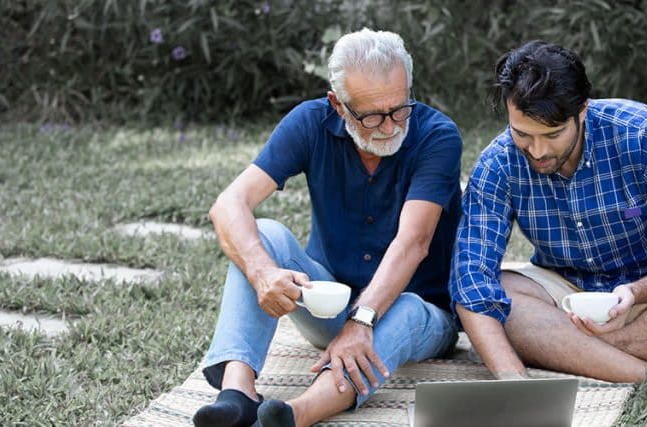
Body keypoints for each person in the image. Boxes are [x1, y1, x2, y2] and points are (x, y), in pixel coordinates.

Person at [193, 28, 462, 427]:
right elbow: (229, 204)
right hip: (332, 305)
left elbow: (414, 242)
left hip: (420, 312)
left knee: (405, 307)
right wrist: (262, 272)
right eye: (371, 116)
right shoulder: (309, 121)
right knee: (262, 233)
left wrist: (361, 322)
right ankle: (237, 392)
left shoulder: (438, 136)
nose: (389, 127)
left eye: (399, 109)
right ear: (338, 104)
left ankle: (296, 414)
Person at [450, 40, 647, 403]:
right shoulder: (497, 163)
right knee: (498, 301)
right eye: (522, 134)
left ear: (583, 110)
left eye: (553, 134)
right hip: (565, 292)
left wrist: (637, 292)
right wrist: (515, 381)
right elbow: (472, 282)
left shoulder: (642, 134)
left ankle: (568, 351)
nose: (538, 151)